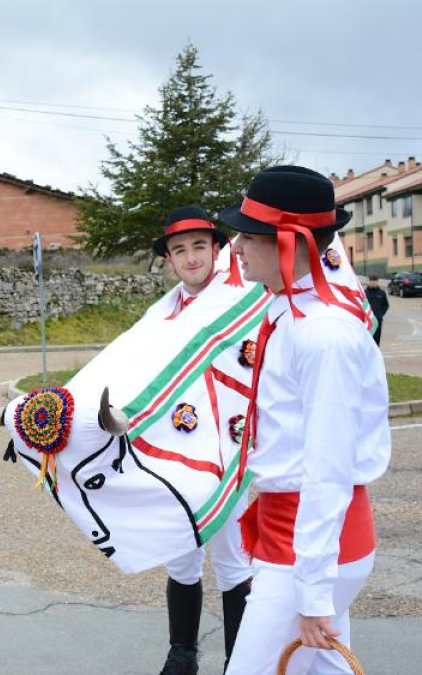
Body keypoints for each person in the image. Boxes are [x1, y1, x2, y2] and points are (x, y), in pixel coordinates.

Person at [220, 166, 391, 675]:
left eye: (249, 236)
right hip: (299, 537)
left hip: (310, 545)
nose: (236, 247)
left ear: (289, 243)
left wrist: (314, 591)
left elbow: (328, 468)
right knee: (322, 669)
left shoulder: (323, 336)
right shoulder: (292, 316)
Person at [151, 206, 254, 675]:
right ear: (169, 260)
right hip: (177, 455)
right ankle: (182, 655)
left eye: (198, 247)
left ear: (217, 249)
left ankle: (240, 660)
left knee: (233, 560)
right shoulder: (161, 315)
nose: (190, 258)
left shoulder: (245, 303)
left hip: (230, 453)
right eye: (179, 250)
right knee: (181, 558)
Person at [363, 276, 389, 346]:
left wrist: (380, 314)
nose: (373, 282)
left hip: (377, 320)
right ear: (369, 281)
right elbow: (361, 305)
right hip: (367, 321)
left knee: (376, 340)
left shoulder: (382, 293)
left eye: (374, 280)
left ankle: (376, 354)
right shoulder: (364, 293)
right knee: (367, 340)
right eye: (371, 280)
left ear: (377, 282)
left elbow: (386, 305)